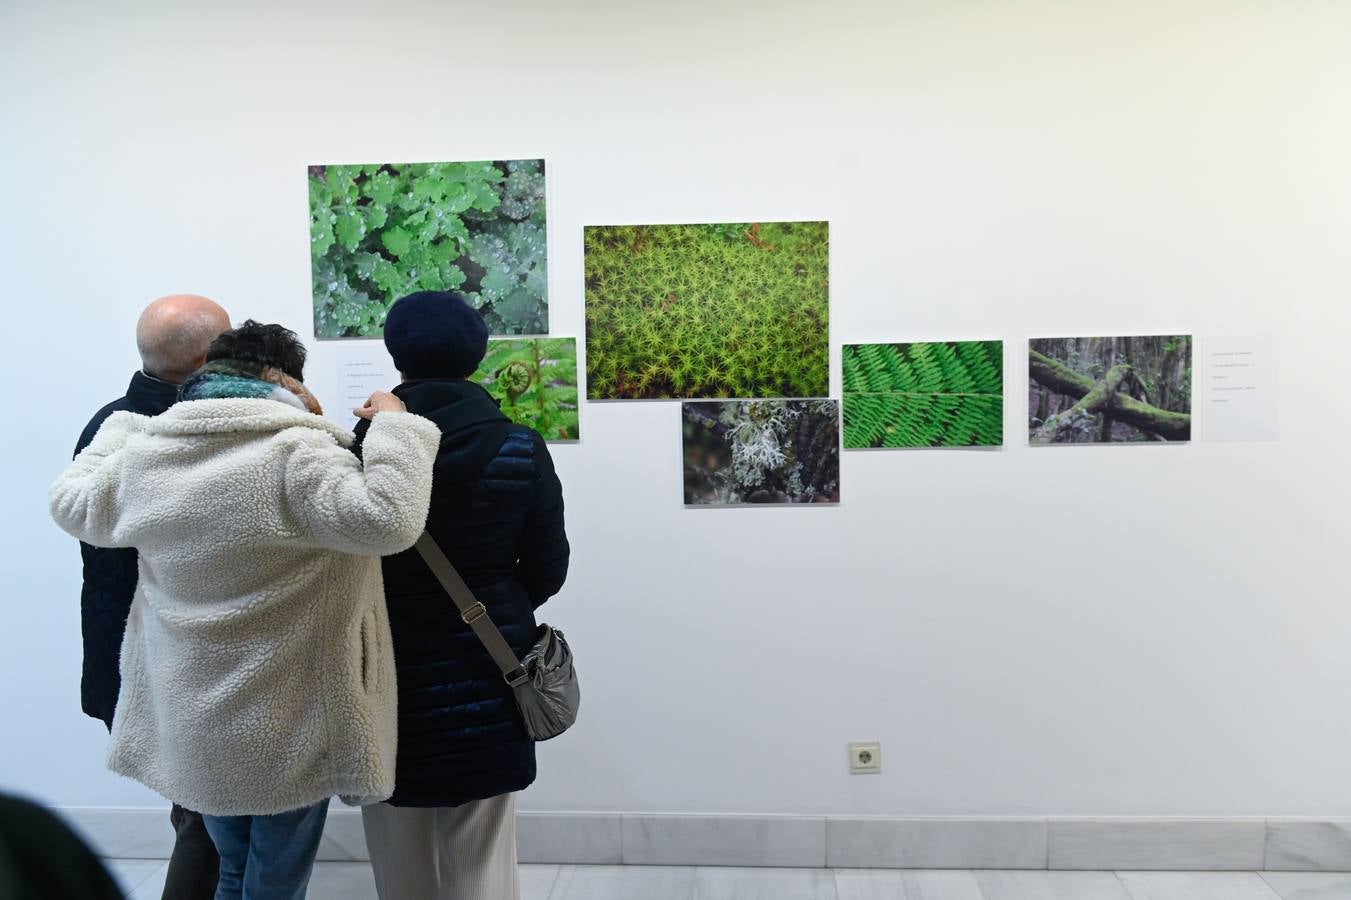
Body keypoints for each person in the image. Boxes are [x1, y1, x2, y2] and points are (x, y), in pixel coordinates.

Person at [50, 321, 442, 900]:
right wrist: (394, 424)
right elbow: (388, 519)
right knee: (275, 880)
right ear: (282, 379)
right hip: (290, 716)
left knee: (232, 869)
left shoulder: (149, 455)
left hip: (194, 713)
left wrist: (126, 425)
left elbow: (71, 501)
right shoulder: (298, 454)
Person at [354, 291, 569, 900]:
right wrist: (492, 605)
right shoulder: (519, 446)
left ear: (397, 358)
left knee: (398, 854)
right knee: (482, 858)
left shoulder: (361, 448)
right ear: (478, 358)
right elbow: (549, 566)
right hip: (488, 667)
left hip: (385, 673)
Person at [72, 293, 231, 900]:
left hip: (140, 661)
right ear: (205, 357)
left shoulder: (108, 427)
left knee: (199, 819)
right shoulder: (185, 439)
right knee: (205, 827)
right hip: (180, 663)